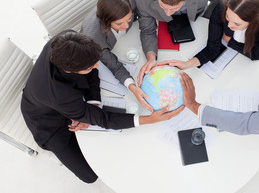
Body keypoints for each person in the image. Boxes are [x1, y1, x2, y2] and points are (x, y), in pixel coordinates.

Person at [21, 31, 184, 184]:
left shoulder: (68, 39)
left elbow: (92, 70)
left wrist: (91, 103)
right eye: (89, 66)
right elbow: (103, 118)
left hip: (62, 99)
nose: (96, 67)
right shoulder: (60, 95)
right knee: (90, 175)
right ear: (71, 69)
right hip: (47, 123)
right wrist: (148, 119)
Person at [133, 0, 227, 84]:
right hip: (162, 25)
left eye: (174, 8)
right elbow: (147, 30)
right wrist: (151, 58)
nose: (167, 13)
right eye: (163, 6)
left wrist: (208, 20)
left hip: (196, 19)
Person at [160, 0, 259, 69]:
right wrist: (186, 64)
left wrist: (229, 41)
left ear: (252, 22)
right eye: (228, 17)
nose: (228, 26)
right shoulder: (222, 7)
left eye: (237, 24)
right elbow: (213, 47)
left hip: (241, 65)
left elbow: (257, 55)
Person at [80, 0, 153, 111]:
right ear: (106, 22)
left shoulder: (130, 1)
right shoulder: (94, 39)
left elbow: (145, 20)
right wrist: (133, 87)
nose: (126, 26)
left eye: (129, 19)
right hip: (95, 50)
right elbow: (115, 66)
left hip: (126, 42)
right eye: (119, 24)